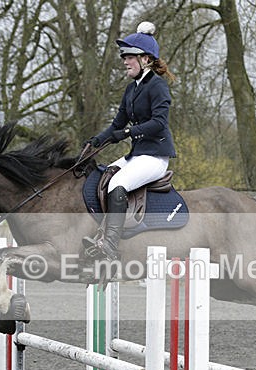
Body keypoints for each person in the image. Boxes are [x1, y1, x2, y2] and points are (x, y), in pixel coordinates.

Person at [82, 21, 176, 263]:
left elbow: (158, 123)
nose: (125, 61)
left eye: (130, 56)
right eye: (124, 56)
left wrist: (127, 133)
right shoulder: (131, 89)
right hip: (137, 155)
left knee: (118, 183)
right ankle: (102, 234)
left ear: (145, 59)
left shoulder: (158, 86)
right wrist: (95, 141)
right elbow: (116, 124)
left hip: (155, 156)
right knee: (103, 177)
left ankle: (110, 245)